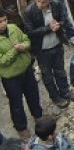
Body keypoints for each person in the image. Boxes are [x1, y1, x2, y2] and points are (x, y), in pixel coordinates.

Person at [23, 0, 74, 109]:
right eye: (38, 1)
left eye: (43, 2)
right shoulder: (29, 11)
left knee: (60, 71)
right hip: (41, 50)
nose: (40, 4)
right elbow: (29, 32)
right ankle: (55, 97)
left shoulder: (57, 5)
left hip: (57, 44)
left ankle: (65, 91)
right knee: (47, 75)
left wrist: (59, 25)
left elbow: (65, 19)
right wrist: (49, 28)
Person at [0, 9, 43, 139]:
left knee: (33, 94)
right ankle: (21, 128)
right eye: (0, 22)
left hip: (26, 69)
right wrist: (15, 50)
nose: (3, 24)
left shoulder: (13, 28)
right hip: (11, 77)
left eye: (4, 20)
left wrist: (24, 46)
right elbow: (2, 61)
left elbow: (26, 40)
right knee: (16, 103)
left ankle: (38, 116)